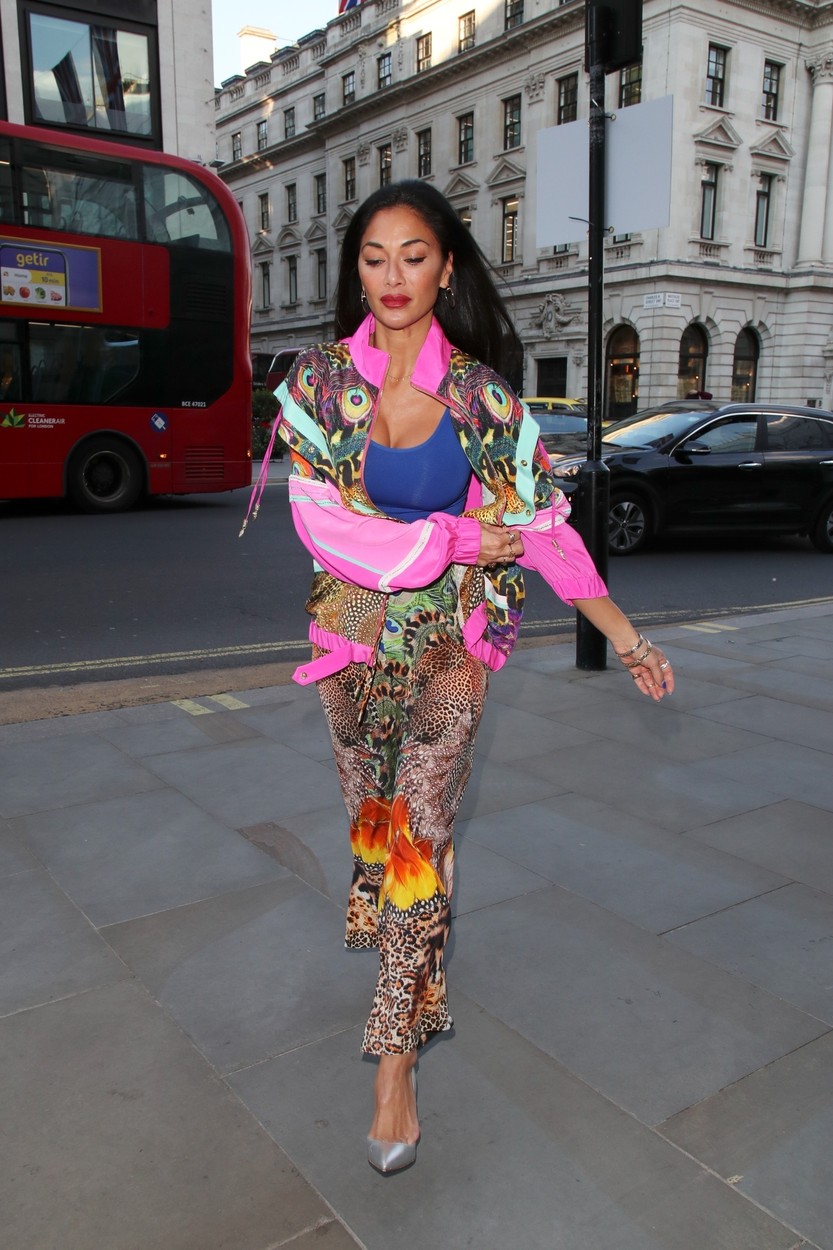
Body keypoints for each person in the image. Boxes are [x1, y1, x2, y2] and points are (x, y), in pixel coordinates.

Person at [242, 180, 674, 1176]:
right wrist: (454, 535)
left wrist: (627, 638)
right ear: (357, 272)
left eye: (413, 256)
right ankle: (419, 920)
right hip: (351, 642)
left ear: (445, 269)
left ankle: (394, 1059)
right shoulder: (317, 386)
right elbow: (322, 526)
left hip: (448, 647)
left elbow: (543, 531)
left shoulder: (482, 398)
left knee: (417, 839)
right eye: (373, 258)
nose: (392, 276)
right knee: (376, 828)